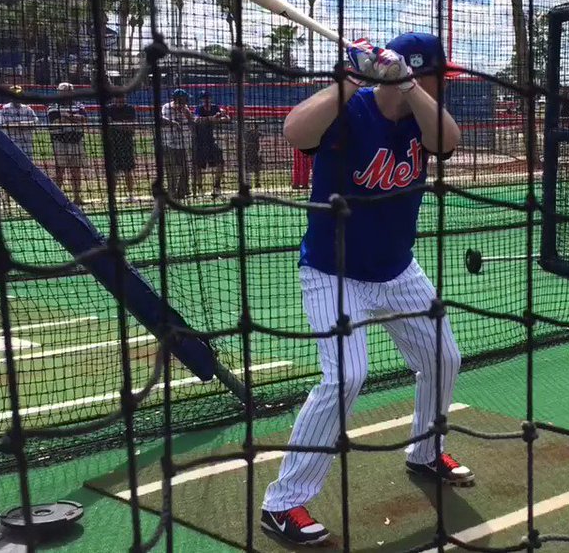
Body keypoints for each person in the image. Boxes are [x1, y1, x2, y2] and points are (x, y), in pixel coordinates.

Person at [260, 33, 469, 545]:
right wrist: (350, 80)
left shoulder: (423, 119)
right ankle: (282, 504)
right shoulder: (350, 109)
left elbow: (449, 142)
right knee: (347, 376)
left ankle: (424, 452)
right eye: (441, 76)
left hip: (398, 272)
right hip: (333, 272)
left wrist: (410, 87)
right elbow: (293, 131)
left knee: (444, 357)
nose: (447, 85)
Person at [47, 82, 86, 205]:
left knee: (76, 170)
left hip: (76, 141)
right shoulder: (53, 106)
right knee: (60, 170)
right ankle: (57, 196)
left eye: (69, 91)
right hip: (60, 142)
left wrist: (68, 117)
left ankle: (77, 197)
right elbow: (56, 121)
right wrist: (74, 118)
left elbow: (84, 119)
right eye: (63, 91)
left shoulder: (79, 104)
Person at [192, 91, 229, 199]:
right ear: (201, 100)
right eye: (204, 99)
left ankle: (216, 187)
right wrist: (211, 118)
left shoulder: (215, 108)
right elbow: (196, 120)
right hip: (199, 141)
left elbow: (227, 119)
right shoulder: (199, 108)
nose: (206, 100)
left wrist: (220, 115)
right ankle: (199, 189)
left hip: (211, 141)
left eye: (208, 98)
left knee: (220, 163)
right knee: (198, 166)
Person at [103, 91, 138, 202]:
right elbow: (106, 126)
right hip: (112, 144)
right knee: (113, 172)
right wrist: (122, 124)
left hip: (126, 143)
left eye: (122, 99)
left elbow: (131, 128)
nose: (120, 101)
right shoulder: (108, 109)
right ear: (114, 99)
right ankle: (111, 196)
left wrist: (116, 124)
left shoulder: (130, 109)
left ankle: (131, 195)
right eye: (118, 99)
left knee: (128, 170)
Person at [159, 88, 193, 200]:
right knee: (171, 171)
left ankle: (181, 193)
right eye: (183, 100)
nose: (185, 102)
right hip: (169, 144)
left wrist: (187, 113)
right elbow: (161, 119)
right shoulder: (166, 107)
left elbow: (191, 122)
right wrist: (173, 123)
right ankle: (171, 194)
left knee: (185, 170)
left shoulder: (185, 108)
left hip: (183, 144)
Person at [0, 85, 39, 157]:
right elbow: (2, 125)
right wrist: (18, 125)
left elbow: (36, 121)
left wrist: (24, 124)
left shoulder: (27, 109)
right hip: (12, 142)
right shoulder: (5, 109)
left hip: (26, 142)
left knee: (28, 164)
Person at [242, 120, 262, 189]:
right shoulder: (246, 133)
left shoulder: (257, 133)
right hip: (248, 152)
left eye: (253, 125)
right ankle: (249, 183)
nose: (251, 127)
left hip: (256, 152)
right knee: (248, 168)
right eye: (250, 125)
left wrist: (259, 151)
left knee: (257, 168)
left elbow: (259, 142)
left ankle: (257, 182)